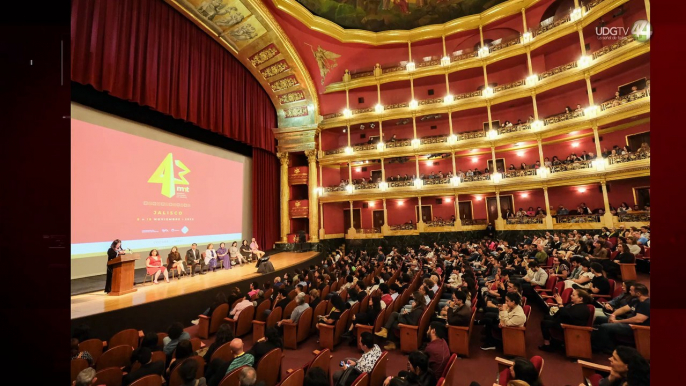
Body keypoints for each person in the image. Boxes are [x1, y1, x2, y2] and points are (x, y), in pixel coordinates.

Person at [593, 284, 650, 354]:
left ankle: (609, 349)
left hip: (636, 328)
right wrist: (613, 315)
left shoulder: (646, 304)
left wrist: (618, 321)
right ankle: (595, 340)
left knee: (604, 327)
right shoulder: (636, 300)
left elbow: (638, 320)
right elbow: (623, 309)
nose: (629, 291)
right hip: (627, 323)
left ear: (638, 293)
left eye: (631, 290)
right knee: (599, 319)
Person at [581, 346, 650, 386]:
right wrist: (611, 377)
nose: (609, 359)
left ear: (627, 366)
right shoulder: (624, 375)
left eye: (615, 359)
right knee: (596, 377)